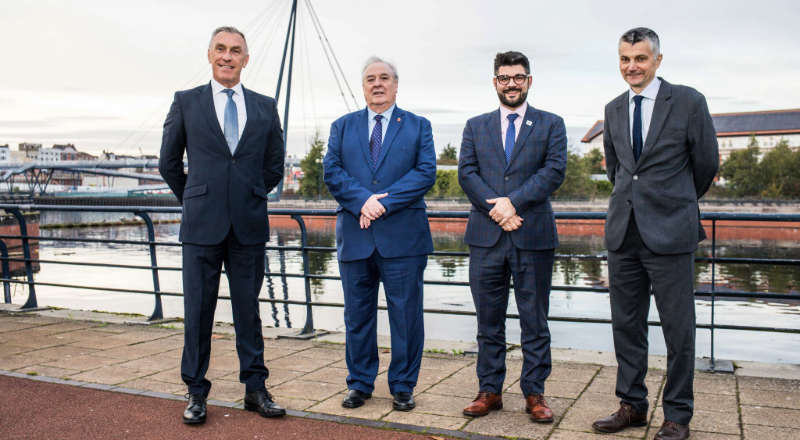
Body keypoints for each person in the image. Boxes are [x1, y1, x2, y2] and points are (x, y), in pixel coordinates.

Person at [591, 28, 719, 440]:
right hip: (623, 234)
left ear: (657, 61)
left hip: (671, 232)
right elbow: (617, 169)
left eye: (641, 59)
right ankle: (632, 405)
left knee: (678, 330)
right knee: (626, 326)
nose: (632, 66)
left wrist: (674, 202)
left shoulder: (688, 101)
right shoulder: (613, 108)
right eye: (625, 59)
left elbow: (705, 164)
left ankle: (678, 415)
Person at [159, 26, 286, 424]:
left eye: (236, 51)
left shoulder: (265, 106)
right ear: (209, 55)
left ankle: (255, 389)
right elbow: (168, 164)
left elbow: (273, 167)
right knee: (198, 312)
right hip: (201, 227)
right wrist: (197, 198)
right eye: (221, 49)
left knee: (248, 311)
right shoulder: (186, 102)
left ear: (246, 59)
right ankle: (196, 392)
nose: (228, 56)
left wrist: (245, 195)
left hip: (247, 225)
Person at [458, 51, 567, 423]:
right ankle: (489, 390)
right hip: (486, 237)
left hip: (533, 235)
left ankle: (535, 393)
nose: (511, 84)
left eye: (518, 77)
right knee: (488, 322)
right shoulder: (475, 126)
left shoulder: (552, 124)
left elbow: (554, 171)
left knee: (534, 321)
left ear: (529, 81)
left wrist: (513, 203)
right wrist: (499, 211)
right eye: (504, 78)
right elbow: (467, 174)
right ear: (495, 83)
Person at [323, 56, 436, 412]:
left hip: (403, 237)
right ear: (363, 86)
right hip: (356, 236)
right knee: (357, 316)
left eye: (384, 77)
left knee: (405, 316)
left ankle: (403, 385)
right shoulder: (342, 126)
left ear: (396, 84)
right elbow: (332, 170)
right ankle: (359, 383)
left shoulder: (419, 126)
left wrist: (381, 204)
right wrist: (363, 201)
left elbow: (425, 173)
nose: (377, 83)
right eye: (370, 78)